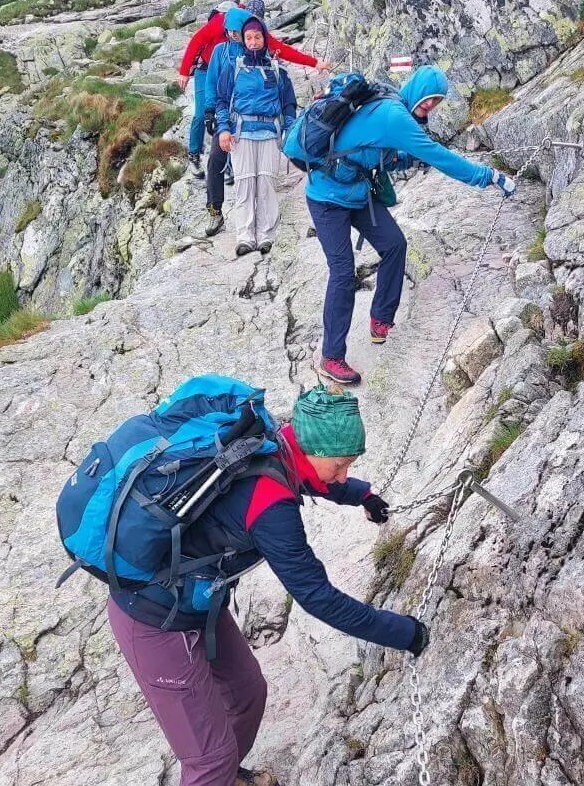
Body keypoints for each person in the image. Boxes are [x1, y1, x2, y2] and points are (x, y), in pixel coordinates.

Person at [106, 385, 429, 786]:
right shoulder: (272, 508)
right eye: (342, 464)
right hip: (152, 618)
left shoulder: (276, 441)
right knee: (209, 760)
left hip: (195, 601)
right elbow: (318, 598)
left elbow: (315, 478)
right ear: (315, 449)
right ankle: (218, 774)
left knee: (248, 693)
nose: (344, 473)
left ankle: (228, 776)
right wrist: (406, 634)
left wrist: (363, 495)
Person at [288, 65, 517, 386]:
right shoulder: (394, 115)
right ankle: (331, 356)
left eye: (436, 102)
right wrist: (488, 176)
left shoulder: (393, 104)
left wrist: (406, 157)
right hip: (326, 198)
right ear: (416, 90)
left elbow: (376, 151)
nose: (430, 107)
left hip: (356, 193)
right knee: (342, 273)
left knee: (394, 244)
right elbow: (438, 155)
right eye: (428, 99)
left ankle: (381, 317)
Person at [178, 4, 329, 236]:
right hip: (228, 117)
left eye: (234, 32)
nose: (231, 35)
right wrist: (209, 113)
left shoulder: (259, 45)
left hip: (256, 121)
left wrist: (314, 63)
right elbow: (212, 83)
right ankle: (215, 211)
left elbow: (286, 52)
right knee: (216, 159)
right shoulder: (221, 51)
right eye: (229, 32)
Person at [213, 15, 296, 257]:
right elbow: (221, 100)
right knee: (245, 183)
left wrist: (289, 128)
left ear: (264, 38)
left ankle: (266, 235)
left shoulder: (278, 70)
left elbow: (289, 103)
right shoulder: (233, 68)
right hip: (241, 131)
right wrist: (223, 129)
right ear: (243, 40)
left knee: (267, 182)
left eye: (257, 37)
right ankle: (245, 235)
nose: (253, 42)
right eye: (248, 37)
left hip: (270, 132)